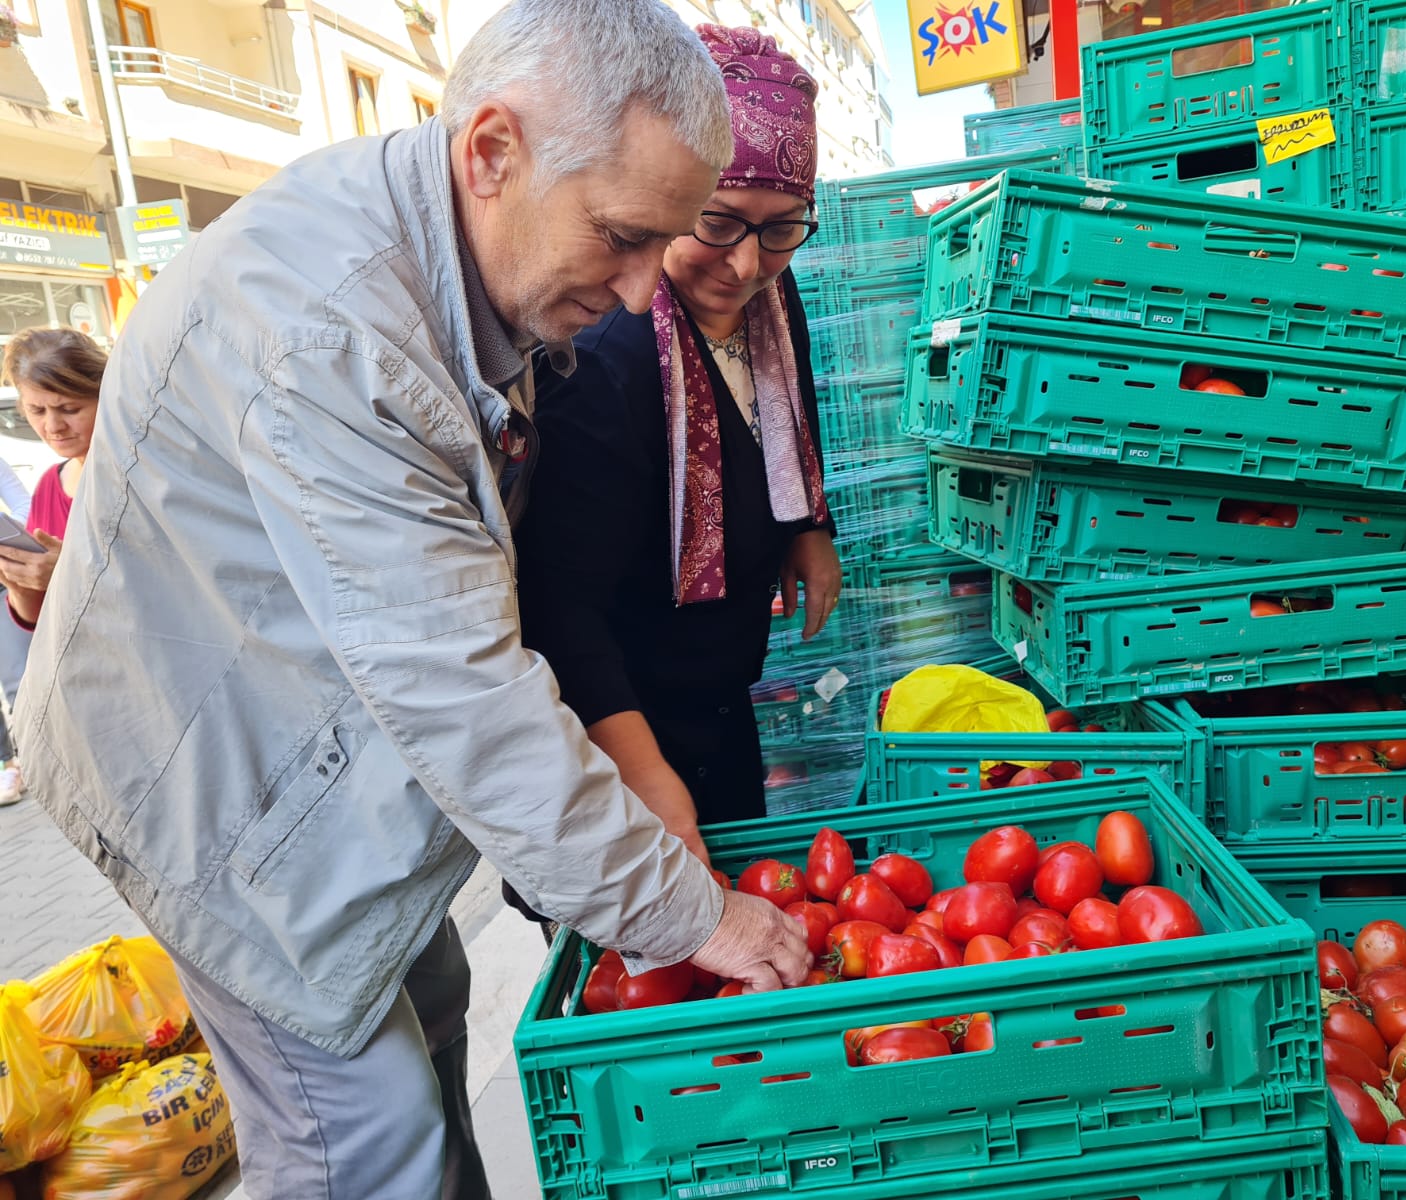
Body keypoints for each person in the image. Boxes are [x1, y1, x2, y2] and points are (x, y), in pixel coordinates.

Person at [11, 3, 809, 1198]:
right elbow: (458, 688)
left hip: (308, 757)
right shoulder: (338, 334)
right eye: (623, 237)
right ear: (492, 151)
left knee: (427, 1019)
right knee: (365, 1141)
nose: (648, 293)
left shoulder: (459, 253)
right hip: (215, 793)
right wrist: (688, 913)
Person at [515, 25, 842, 859]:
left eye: (782, 228)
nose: (744, 266)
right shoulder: (600, 360)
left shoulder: (773, 287)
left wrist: (810, 525)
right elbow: (560, 603)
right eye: (718, 221)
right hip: (625, 718)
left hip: (723, 687)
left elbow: (790, 408)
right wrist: (642, 776)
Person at [0, 329, 100, 806]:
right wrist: (19, 579)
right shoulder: (49, 485)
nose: (52, 427)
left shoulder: (138, 472)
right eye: (37, 411)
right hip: (91, 697)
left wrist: (70, 572)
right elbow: (35, 618)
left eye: (69, 409)